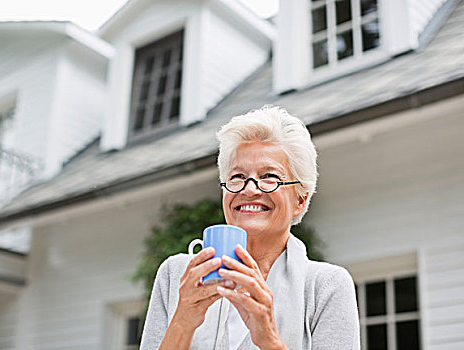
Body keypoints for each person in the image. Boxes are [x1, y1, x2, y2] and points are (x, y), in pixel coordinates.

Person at [140, 106, 360, 349]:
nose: (249, 189)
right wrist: (183, 321)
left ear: (300, 200)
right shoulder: (176, 275)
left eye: (269, 177)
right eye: (237, 177)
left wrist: (269, 338)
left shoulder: (326, 285)